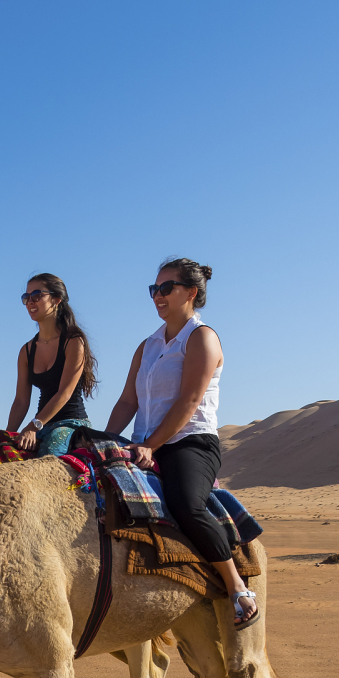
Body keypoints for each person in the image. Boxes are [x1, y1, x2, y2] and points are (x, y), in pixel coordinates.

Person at [105, 258, 259, 629]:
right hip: (144, 442)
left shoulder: (202, 338)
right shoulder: (147, 346)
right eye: (154, 289)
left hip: (191, 443)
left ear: (190, 292)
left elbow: (189, 401)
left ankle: (236, 586)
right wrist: (107, 440)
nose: (158, 296)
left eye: (166, 288)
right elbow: (129, 401)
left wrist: (152, 445)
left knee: (186, 506)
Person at [6, 273, 96, 455]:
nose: (30, 302)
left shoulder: (74, 341)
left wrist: (34, 425)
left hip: (71, 424)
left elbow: (65, 393)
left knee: (48, 455)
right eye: (26, 297)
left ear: (56, 299)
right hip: (41, 425)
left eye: (37, 295)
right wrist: (7, 435)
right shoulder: (26, 351)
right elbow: (21, 401)